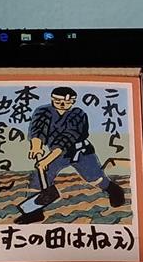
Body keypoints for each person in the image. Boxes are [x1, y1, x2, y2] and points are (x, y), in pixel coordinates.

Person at [16, 86, 125, 224]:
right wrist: (36, 146)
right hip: (56, 154)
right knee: (38, 178)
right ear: (52, 99)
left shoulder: (78, 114)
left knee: (95, 178)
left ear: (73, 101)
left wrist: (46, 160)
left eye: (67, 102)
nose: (62, 104)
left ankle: (114, 190)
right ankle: (34, 213)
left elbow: (66, 140)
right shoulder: (42, 111)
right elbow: (37, 130)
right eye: (58, 101)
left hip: (80, 152)